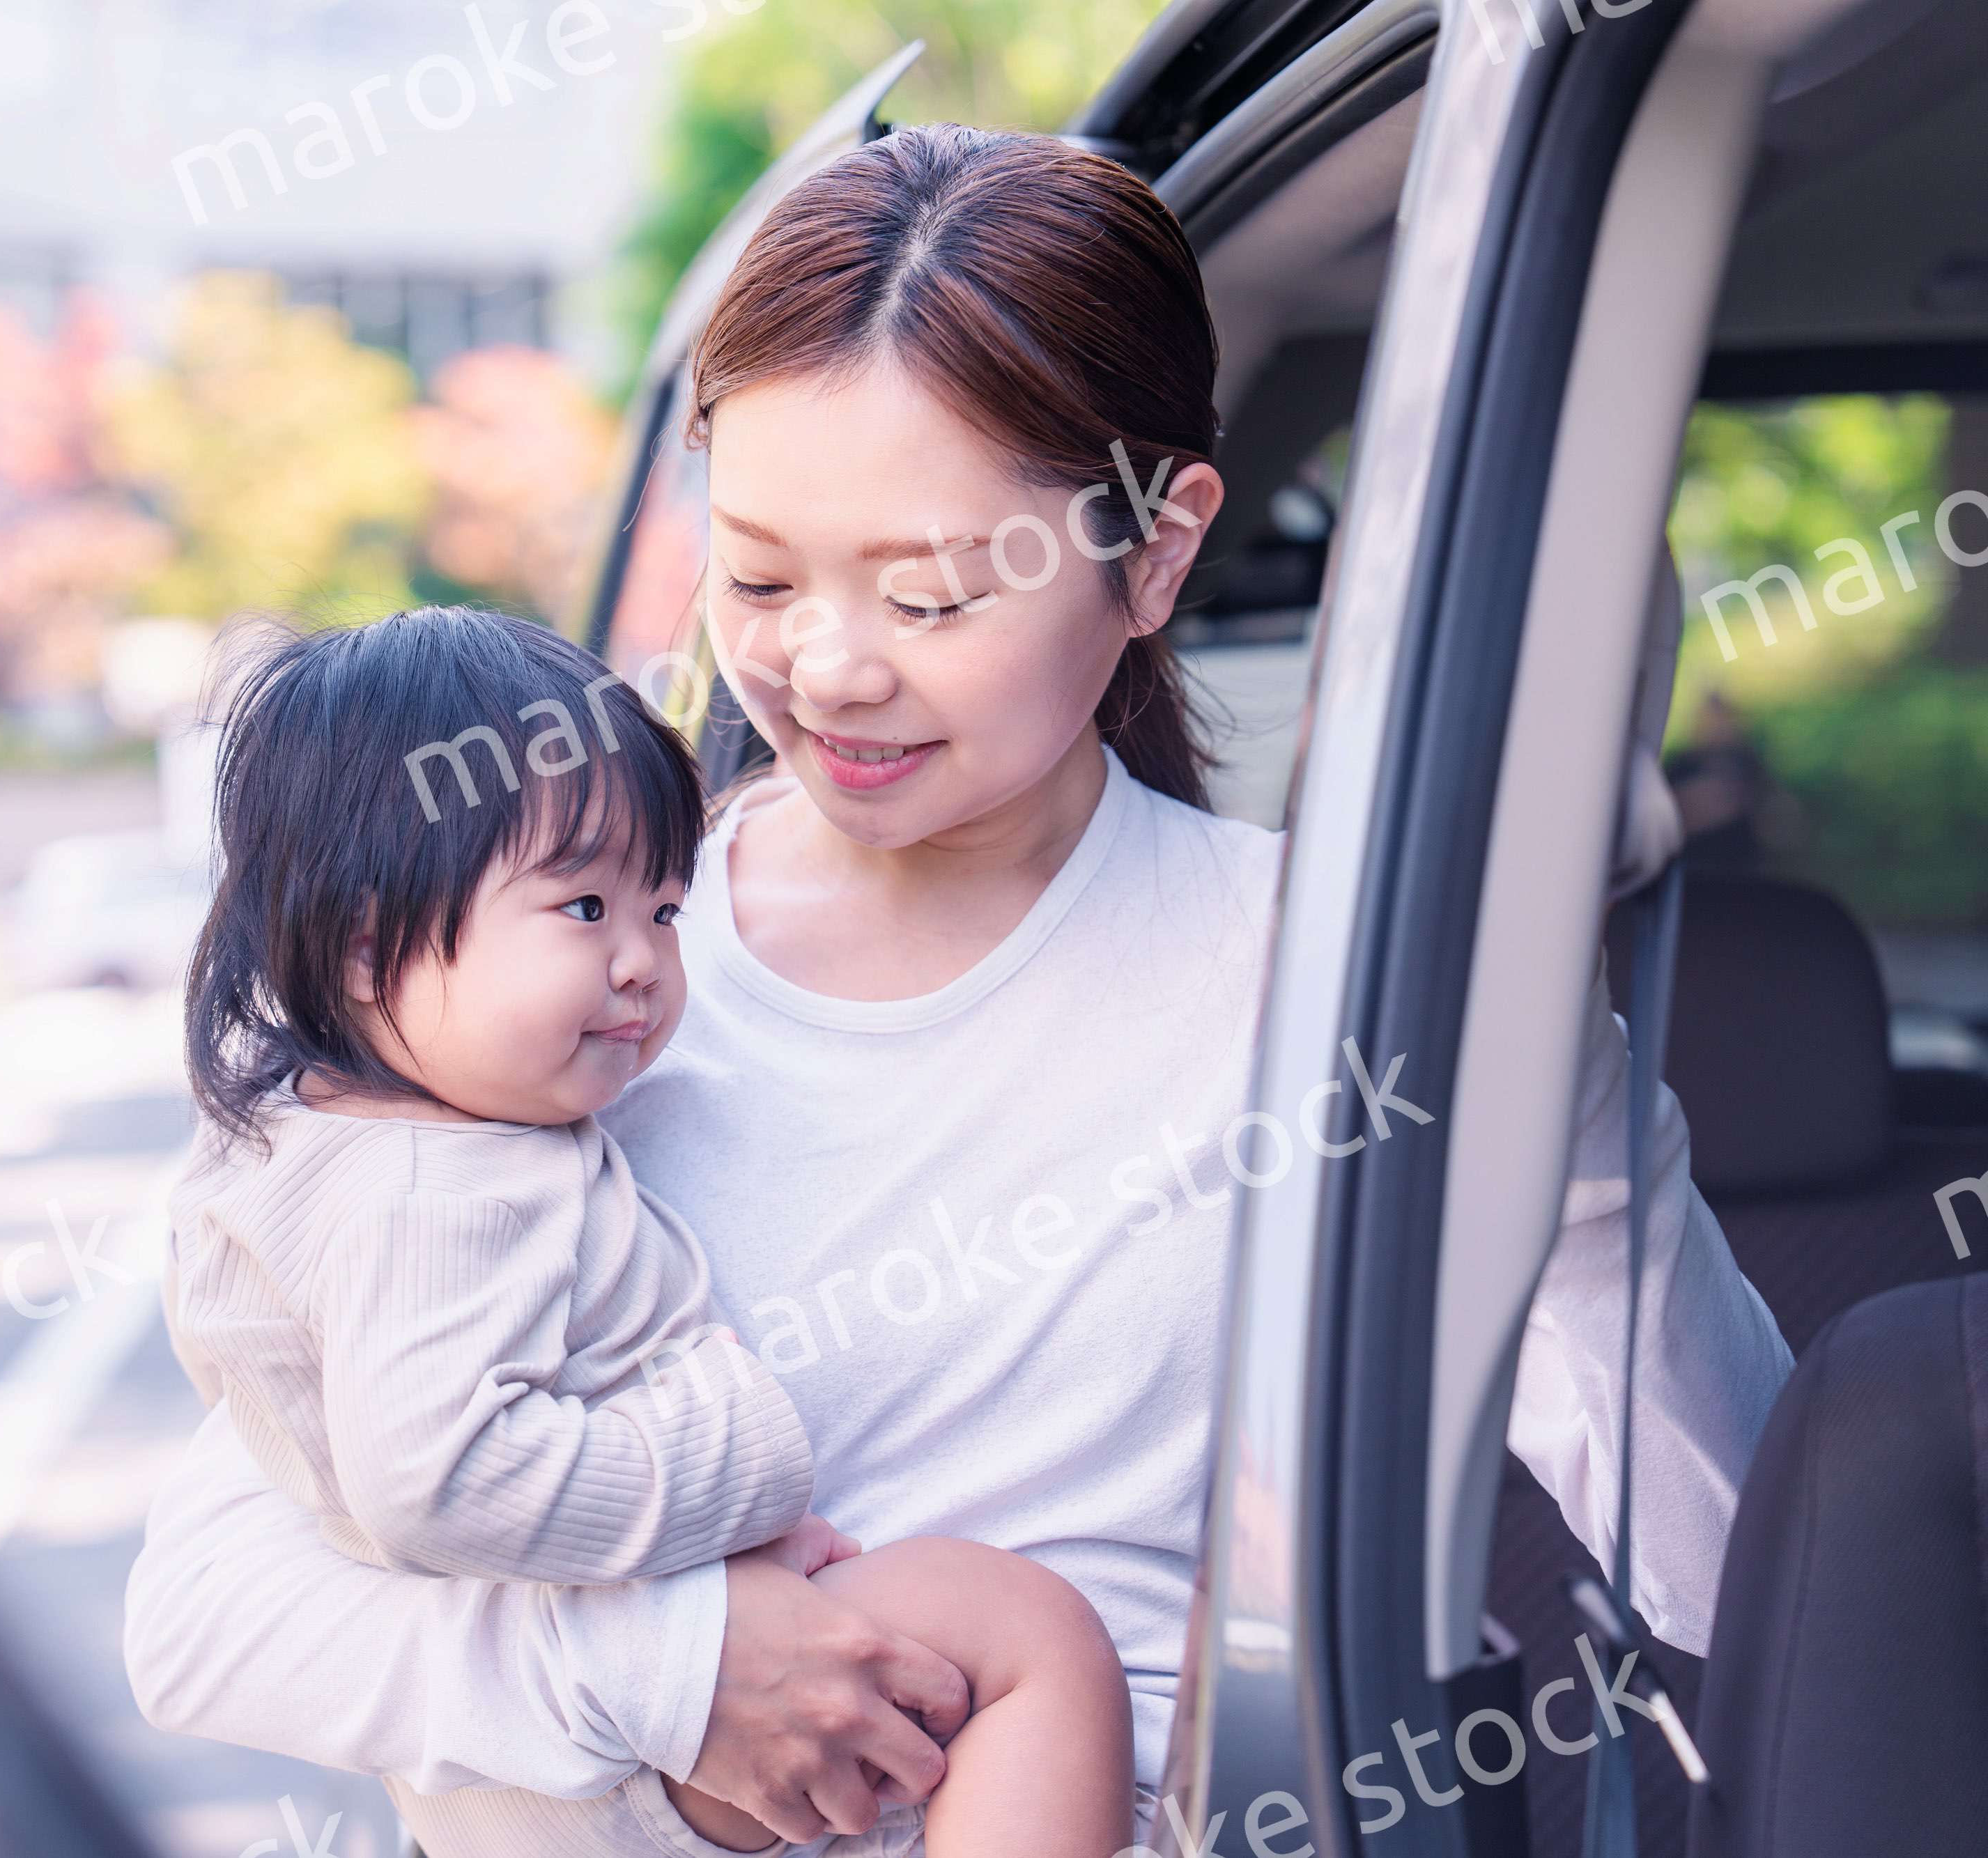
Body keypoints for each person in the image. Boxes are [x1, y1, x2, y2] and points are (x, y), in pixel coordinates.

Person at [125, 127, 1795, 1857]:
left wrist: (1552, 1086)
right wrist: (672, 1667)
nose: (824, 666)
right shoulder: (556, 974)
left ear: (1153, 557)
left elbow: (1739, 1539)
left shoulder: (1325, 981)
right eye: (758, 576)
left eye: (927, 592)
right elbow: (208, 1609)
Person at [166, 605, 1134, 1857]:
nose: (642, 964)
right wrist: (734, 1467)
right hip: (609, 1764)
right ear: (364, 946)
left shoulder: (316, 1145)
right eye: (581, 910)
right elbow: (439, 1481)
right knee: (1025, 1636)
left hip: (535, 1768)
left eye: (665, 912)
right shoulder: (432, 1189)